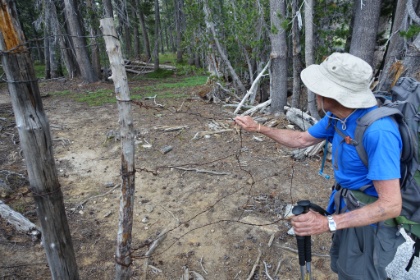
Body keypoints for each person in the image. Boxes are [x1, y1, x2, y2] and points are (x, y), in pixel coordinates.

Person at [234, 52, 406, 279]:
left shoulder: (379, 132)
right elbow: (302, 140)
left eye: (319, 88)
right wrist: (259, 128)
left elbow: (391, 205)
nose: (314, 93)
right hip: (346, 205)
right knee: (344, 266)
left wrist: (329, 223)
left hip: (371, 223)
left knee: (361, 273)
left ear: (333, 95)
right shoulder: (338, 116)